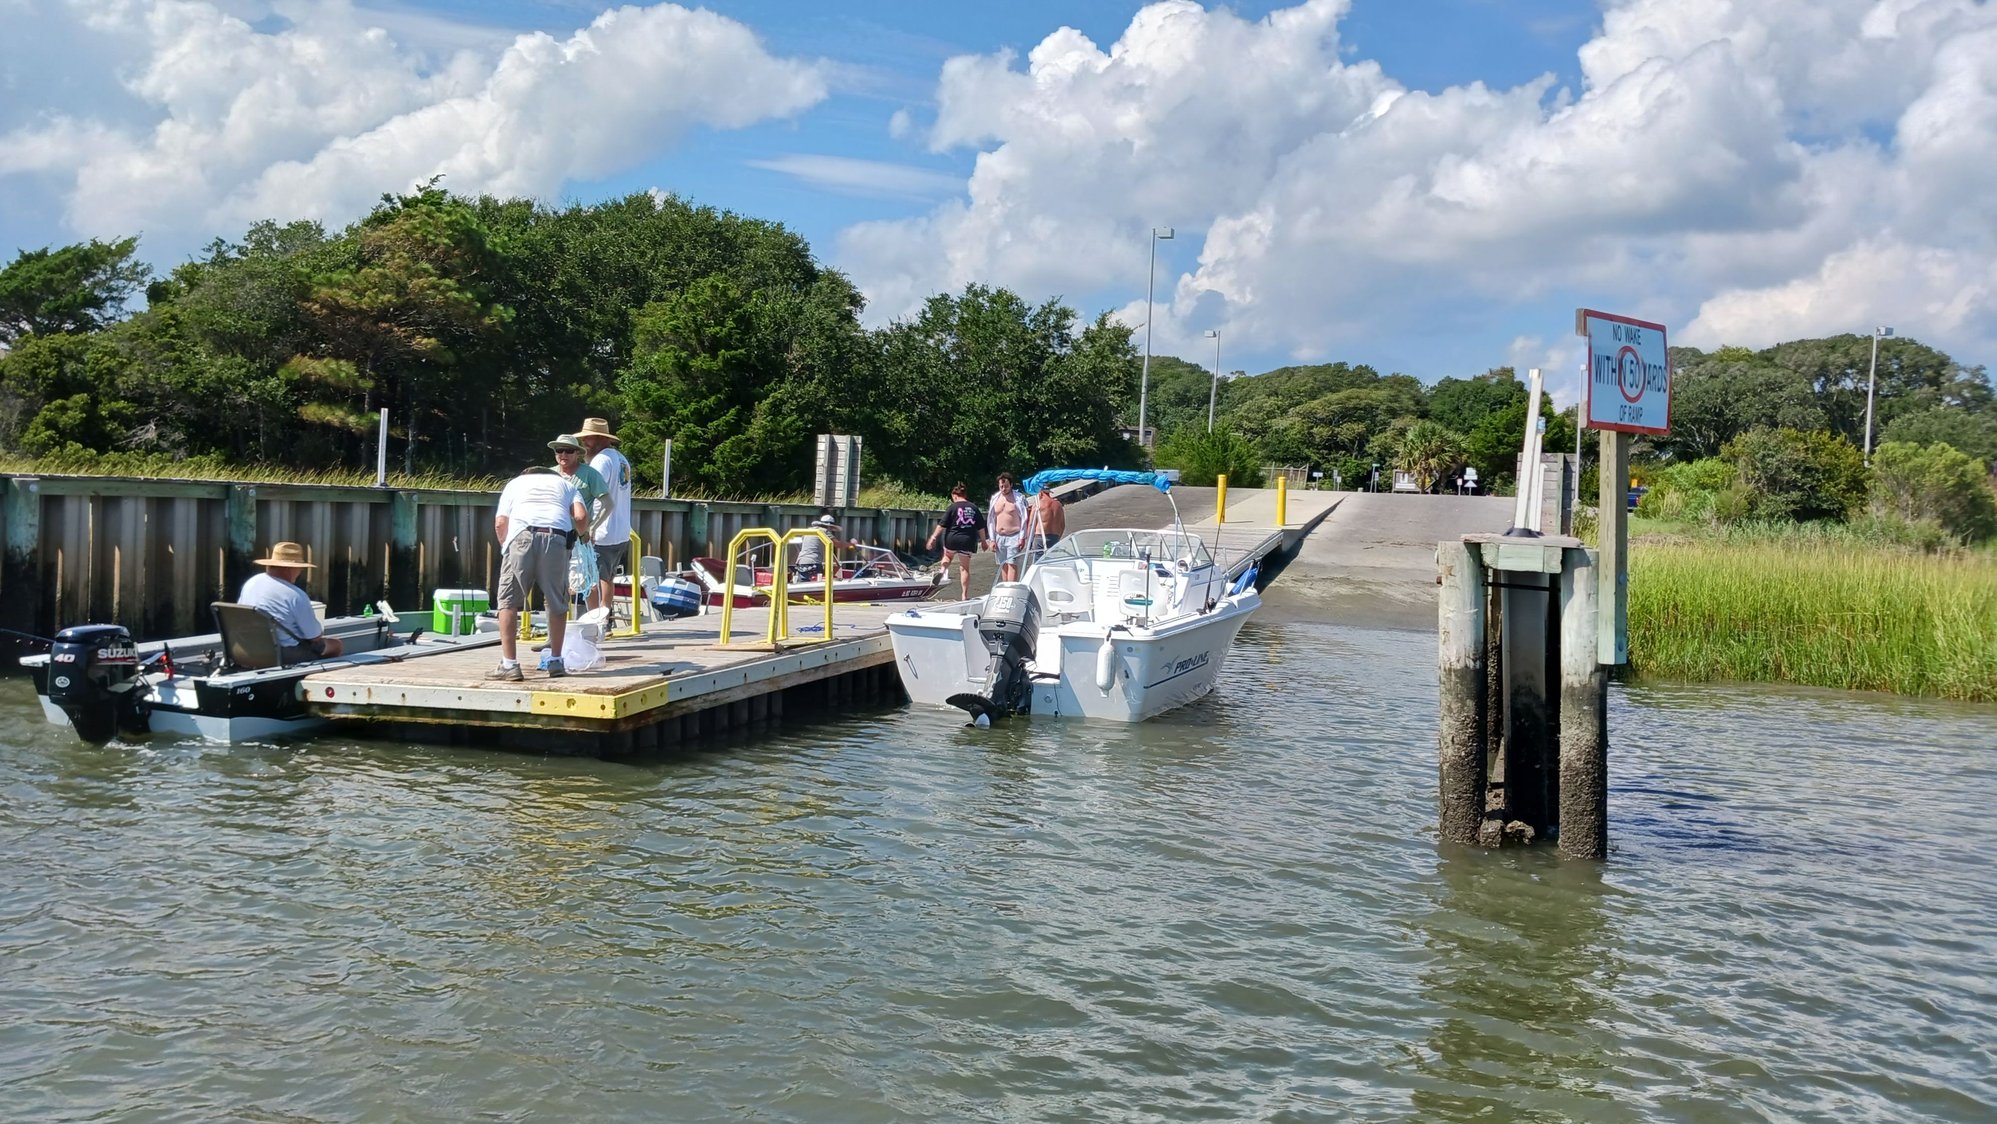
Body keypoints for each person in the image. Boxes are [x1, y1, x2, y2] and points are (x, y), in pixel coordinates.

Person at [489, 462, 587, 681]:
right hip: (557, 537)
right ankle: (555, 662)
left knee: (508, 601)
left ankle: (510, 665)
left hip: (522, 536)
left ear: (527, 474)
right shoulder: (566, 485)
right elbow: (580, 517)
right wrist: (582, 537)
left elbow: (500, 522)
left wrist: (506, 546)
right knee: (557, 601)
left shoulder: (515, 483)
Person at [238, 541, 345, 662]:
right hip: (283, 653)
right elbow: (315, 636)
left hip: (249, 647)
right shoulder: (295, 595)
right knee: (336, 644)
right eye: (300, 569)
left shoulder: (251, 582)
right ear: (290, 569)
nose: (299, 573)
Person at [577, 417, 632, 615]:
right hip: (621, 530)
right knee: (607, 577)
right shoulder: (621, 459)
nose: (584, 442)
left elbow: (591, 491)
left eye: (588, 438)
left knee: (593, 577)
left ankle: (597, 619)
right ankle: (605, 617)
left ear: (600, 438)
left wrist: (589, 526)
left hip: (602, 530)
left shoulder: (600, 461)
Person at [926, 482, 984, 599]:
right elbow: (981, 527)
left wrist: (933, 538)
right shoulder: (973, 508)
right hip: (967, 540)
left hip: (952, 539)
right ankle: (964, 595)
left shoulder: (952, 507)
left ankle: (942, 570)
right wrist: (984, 541)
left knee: (947, 556)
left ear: (954, 495)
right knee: (964, 568)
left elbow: (941, 525)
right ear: (965, 495)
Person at [987, 471, 1030, 584]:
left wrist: (1022, 537)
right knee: (1003, 564)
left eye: (1006, 486)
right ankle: (1005, 586)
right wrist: (992, 539)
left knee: (1012, 563)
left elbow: (1024, 518)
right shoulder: (995, 498)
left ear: (1011, 485)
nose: (1003, 488)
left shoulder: (1018, 498)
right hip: (999, 536)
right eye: (1001, 486)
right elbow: (991, 519)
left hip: (1014, 535)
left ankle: (1011, 587)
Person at [793, 512, 856, 583]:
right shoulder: (824, 531)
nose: (831, 530)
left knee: (804, 584)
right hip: (814, 563)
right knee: (815, 586)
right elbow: (838, 545)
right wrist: (852, 544)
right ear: (829, 526)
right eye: (831, 528)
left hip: (801, 562)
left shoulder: (808, 531)